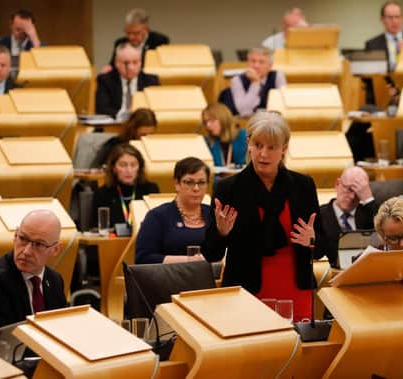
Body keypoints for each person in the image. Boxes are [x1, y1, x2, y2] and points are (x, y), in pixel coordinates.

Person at [203, 112, 325, 322]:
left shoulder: (303, 186)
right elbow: (211, 254)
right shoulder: (228, 189)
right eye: (258, 145)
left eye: (271, 147)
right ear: (248, 143)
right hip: (246, 293)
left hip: (296, 289)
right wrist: (221, 233)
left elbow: (322, 248)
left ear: (284, 148)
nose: (263, 154)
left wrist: (312, 240)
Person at [0, 210, 67, 347]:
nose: (26, 251)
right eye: (23, 239)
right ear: (15, 236)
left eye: (39, 244)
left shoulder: (55, 280)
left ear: (55, 250)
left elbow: (61, 335)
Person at [136, 157, 211, 264]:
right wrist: (190, 261)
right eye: (189, 182)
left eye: (202, 182)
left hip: (212, 278)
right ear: (177, 184)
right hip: (170, 278)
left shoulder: (213, 214)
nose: (196, 188)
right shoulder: (157, 216)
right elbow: (143, 258)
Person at [319, 167, 376, 268]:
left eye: (358, 192)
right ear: (337, 184)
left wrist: (368, 199)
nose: (352, 197)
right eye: (349, 189)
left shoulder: (369, 213)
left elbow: (386, 234)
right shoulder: (320, 215)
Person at [92, 143, 159, 228]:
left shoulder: (150, 190)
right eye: (123, 165)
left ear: (139, 167)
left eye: (133, 165)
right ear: (113, 168)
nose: (128, 170)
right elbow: (96, 228)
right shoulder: (103, 193)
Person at [95, 42, 160, 119]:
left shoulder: (151, 81)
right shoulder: (105, 80)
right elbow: (101, 108)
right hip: (115, 124)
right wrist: (124, 116)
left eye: (135, 62)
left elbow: (156, 108)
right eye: (126, 63)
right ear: (117, 62)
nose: (131, 67)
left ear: (141, 62)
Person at [220, 48, 286, 117]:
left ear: (270, 66)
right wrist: (255, 83)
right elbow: (244, 111)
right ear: (247, 63)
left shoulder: (277, 76)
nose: (256, 66)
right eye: (253, 61)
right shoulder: (237, 80)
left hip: (272, 120)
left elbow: (282, 106)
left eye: (261, 62)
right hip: (246, 123)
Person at [102, 8, 169, 74]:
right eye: (128, 33)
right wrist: (108, 68)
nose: (131, 37)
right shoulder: (120, 43)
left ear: (146, 29)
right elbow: (113, 65)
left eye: (135, 33)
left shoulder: (159, 40)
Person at [92, 108, 157, 168]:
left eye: (150, 135)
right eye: (143, 135)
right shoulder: (114, 145)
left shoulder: (156, 147)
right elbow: (99, 169)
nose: (146, 139)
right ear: (133, 130)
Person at [364, 1, 403, 72]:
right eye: (390, 17)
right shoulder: (372, 45)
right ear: (382, 19)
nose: (394, 21)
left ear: (402, 18)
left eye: (397, 17)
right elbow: (369, 73)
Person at [201, 103, 247, 167]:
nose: (208, 125)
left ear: (224, 119)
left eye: (212, 120)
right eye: (205, 122)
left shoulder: (243, 136)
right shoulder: (207, 141)